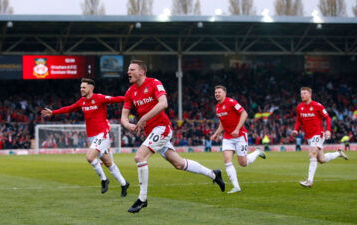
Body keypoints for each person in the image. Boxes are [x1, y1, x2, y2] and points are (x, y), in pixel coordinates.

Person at [121, 60, 225, 213]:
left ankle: (142, 199)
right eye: (128, 69)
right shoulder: (130, 92)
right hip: (151, 132)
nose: (128, 72)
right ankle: (213, 174)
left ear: (142, 71)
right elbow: (124, 116)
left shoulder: (154, 83)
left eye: (132, 69)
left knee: (139, 157)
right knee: (179, 164)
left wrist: (143, 118)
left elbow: (163, 103)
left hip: (162, 128)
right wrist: (128, 124)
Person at [41, 78, 130, 197]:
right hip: (91, 136)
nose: (81, 89)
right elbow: (69, 108)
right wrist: (53, 112)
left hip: (102, 134)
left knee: (89, 157)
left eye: (83, 87)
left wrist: (132, 98)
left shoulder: (100, 98)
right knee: (108, 162)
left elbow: (116, 99)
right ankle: (124, 184)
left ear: (91, 88)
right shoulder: (82, 101)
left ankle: (104, 180)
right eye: (81, 87)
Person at [211, 85, 266, 194]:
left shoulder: (231, 102)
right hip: (227, 137)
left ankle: (257, 152)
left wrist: (237, 129)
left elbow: (244, 113)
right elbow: (222, 122)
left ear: (224, 93)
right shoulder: (217, 107)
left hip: (240, 135)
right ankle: (236, 187)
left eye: (219, 92)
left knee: (243, 163)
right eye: (215, 92)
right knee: (227, 160)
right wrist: (216, 133)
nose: (217, 94)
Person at [292, 87, 348, 188]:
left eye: (304, 93)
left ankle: (309, 181)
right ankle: (338, 153)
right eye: (301, 93)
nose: (302, 95)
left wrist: (328, 130)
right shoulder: (299, 107)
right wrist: (296, 129)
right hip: (309, 136)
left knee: (312, 154)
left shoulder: (317, 106)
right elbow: (298, 121)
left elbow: (327, 118)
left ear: (309, 94)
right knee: (321, 159)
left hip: (318, 134)